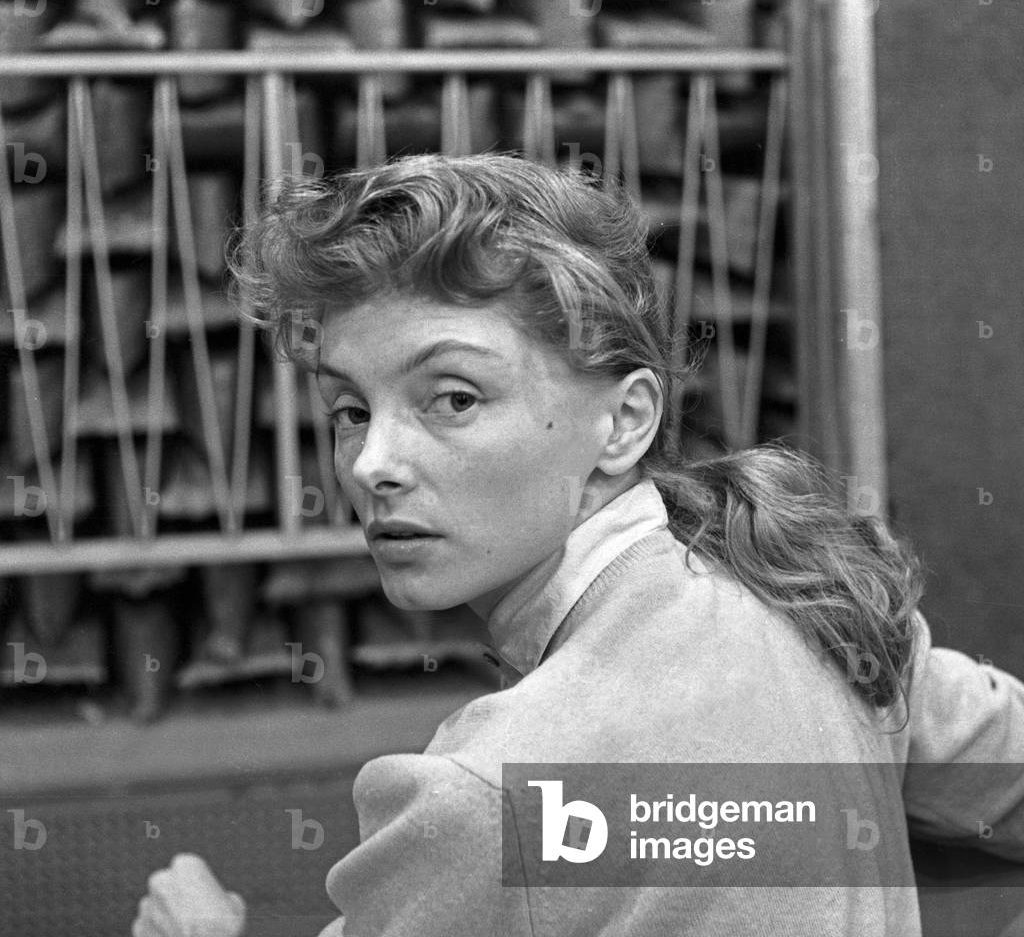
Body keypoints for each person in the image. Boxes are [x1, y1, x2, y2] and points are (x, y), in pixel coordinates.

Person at [132, 153, 1024, 937]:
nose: (372, 464)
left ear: (626, 421)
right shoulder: (808, 596)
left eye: (454, 399)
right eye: (351, 410)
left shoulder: (483, 797)